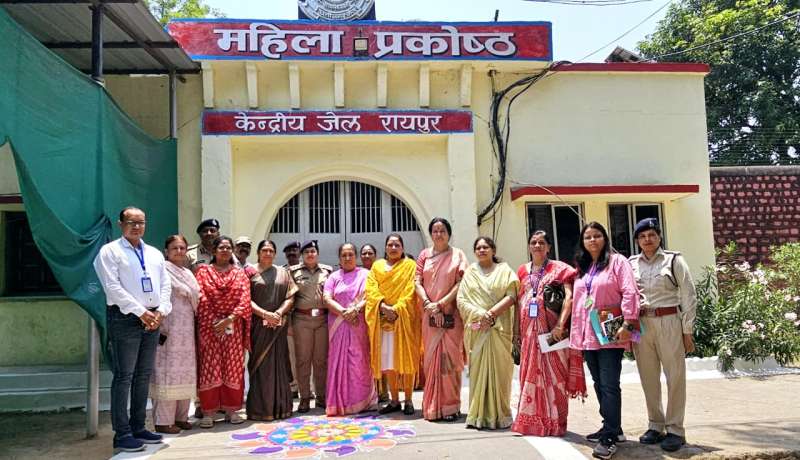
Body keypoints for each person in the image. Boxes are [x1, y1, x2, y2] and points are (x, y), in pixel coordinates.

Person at [93, 206, 171, 453]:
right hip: (125, 318)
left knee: (143, 374)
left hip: (153, 318)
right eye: (131, 222)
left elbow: (165, 285)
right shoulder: (110, 251)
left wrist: (161, 311)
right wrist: (141, 312)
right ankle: (122, 433)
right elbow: (112, 287)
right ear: (121, 224)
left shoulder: (154, 253)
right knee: (124, 376)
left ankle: (138, 427)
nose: (136, 227)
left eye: (141, 222)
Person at [570, 222, 641, 460]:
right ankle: (613, 427)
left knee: (609, 384)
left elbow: (630, 291)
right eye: (588, 237)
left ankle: (609, 438)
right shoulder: (583, 267)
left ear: (605, 238)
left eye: (597, 235)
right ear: (582, 242)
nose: (592, 240)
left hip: (610, 329)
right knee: (599, 383)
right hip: (588, 334)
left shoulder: (617, 262)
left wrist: (628, 323)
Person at [629, 218, 697, 452]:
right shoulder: (631, 264)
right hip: (641, 324)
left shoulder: (674, 260)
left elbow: (688, 294)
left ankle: (675, 429)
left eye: (652, 235)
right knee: (648, 377)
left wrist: (687, 331)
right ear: (637, 240)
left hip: (669, 321)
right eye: (642, 236)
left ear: (659, 236)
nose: (647, 239)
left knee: (675, 376)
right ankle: (655, 424)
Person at [511, 231, 586, 437]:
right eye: (533, 242)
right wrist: (516, 332)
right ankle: (530, 422)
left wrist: (560, 326)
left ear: (549, 247)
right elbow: (518, 302)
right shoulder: (522, 271)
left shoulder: (561, 269)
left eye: (542, 242)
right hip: (528, 335)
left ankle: (556, 423)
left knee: (556, 378)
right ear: (529, 246)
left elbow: (569, 297)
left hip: (552, 334)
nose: (537, 246)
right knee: (529, 375)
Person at [457, 236, 518, 430]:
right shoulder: (470, 273)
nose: (482, 250)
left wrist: (491, 314)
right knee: (477, 372)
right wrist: (480, 314)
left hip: (499, 330)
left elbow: (512, 296)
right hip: (477, 329)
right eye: (478, 248)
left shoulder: (504, 270)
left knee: (500, 373)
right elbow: (462, 300)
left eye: (485, 247)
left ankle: (500, 415)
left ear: (493, 250)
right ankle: (477, 416)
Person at [195, 236, 252, 428]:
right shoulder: (203, 272)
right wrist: (214, 321)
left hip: (233, 328)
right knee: (209, 368)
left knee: (233, 368)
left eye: (228, 247)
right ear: (214, 250)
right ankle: (208, 412)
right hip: (209, 328)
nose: (225, 250)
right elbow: (201, 297)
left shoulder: (240, 274)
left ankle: (231, 410)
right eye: (221, 247)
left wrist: (229, 319)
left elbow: (245, 299)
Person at [415, 218, 468, 422]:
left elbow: (461, 282)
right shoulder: (424, 255)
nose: (439, 234)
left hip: (450, 317)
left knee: (449, 363)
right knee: (431, 363)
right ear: (430, 234)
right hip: (429, 316)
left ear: (449, 233)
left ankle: (450, 407)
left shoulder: (458, 255)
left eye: (442, 230)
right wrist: (428, 303)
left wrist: (441, 303)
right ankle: (432, 407)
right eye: (435, 231)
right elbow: (417, 281)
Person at [365, 233, 420, 415]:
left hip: (403, 319)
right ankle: (394, 399)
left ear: (403, 248)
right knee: (388, 361)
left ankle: (409, 400)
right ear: (385, 247)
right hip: (383, 320)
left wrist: (396, 309)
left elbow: (411, 290)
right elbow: (371, 289)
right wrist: (382, 306)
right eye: (390, 245)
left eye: (397, 245)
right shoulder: (377, 266)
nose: (394, 248)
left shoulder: (410, 266)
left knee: (407, 359)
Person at [151, 235, 199, 435]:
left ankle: (181, 417)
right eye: (174, 248)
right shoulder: (160, 270)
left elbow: (196, 297)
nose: (179, 251)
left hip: (186, 331)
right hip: (168, 329)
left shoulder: (188, 273)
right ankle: (163, 421)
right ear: (166, 251)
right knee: (167, 374)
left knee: (185, 373)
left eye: (182, 248)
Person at [246, 240, 298, 421]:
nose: (267, 253)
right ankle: (260, 409)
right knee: (260, 367)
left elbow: (291, 296)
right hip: (258, 327)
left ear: (275, 254)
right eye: (264, 250)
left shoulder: (283, 272)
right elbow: (245, 298)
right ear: (258, 253)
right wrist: (264, 314)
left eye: (271, 250)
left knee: (280, 364)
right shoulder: (249, 272)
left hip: (278, 326)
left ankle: (281, 407)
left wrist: (278, 313)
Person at [323, 243, 377, 415]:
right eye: (344, 255)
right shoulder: (333, 277)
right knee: (339, 363)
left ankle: (363, 401)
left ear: (356, 256)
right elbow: (326, 298)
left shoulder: (366, 275)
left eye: (350, 255)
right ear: (339, 259)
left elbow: (371, 295)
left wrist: (356, 309)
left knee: (359, 362)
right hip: (338, 325)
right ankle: (340, 402)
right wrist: (344, 312)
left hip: (358, 325)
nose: (347, 258)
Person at [290, 240, 333, 413]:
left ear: (318, 253)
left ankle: (321, 396)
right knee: (303, 360)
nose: (310, 254)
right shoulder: (293, 272)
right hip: (302, 320)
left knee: (321, 360)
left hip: (322, 320)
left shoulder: (327, 271)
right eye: (306, 251)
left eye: (313, 251)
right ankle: (305, 397)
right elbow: (289, 297)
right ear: (302, 255)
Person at [360, 243, 387, 402]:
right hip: (361, 321)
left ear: (376, 255)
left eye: (370, 253)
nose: (367, 256)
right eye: (364, 253)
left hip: (379, 319)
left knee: (381, 355)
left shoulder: (381, 272)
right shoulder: (358, 274)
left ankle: (383, 392)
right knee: (365, 357)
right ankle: (367, 392)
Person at [282, 240, 302, 398]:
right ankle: (294, 386)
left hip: (305, 318)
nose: (291, 253)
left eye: (294, 250)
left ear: (299, 252)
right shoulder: (282, 272)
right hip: (288, 320)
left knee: (308, 353)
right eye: (288, 251)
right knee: (291, 355)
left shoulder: (305, 269)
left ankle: (310, 388)